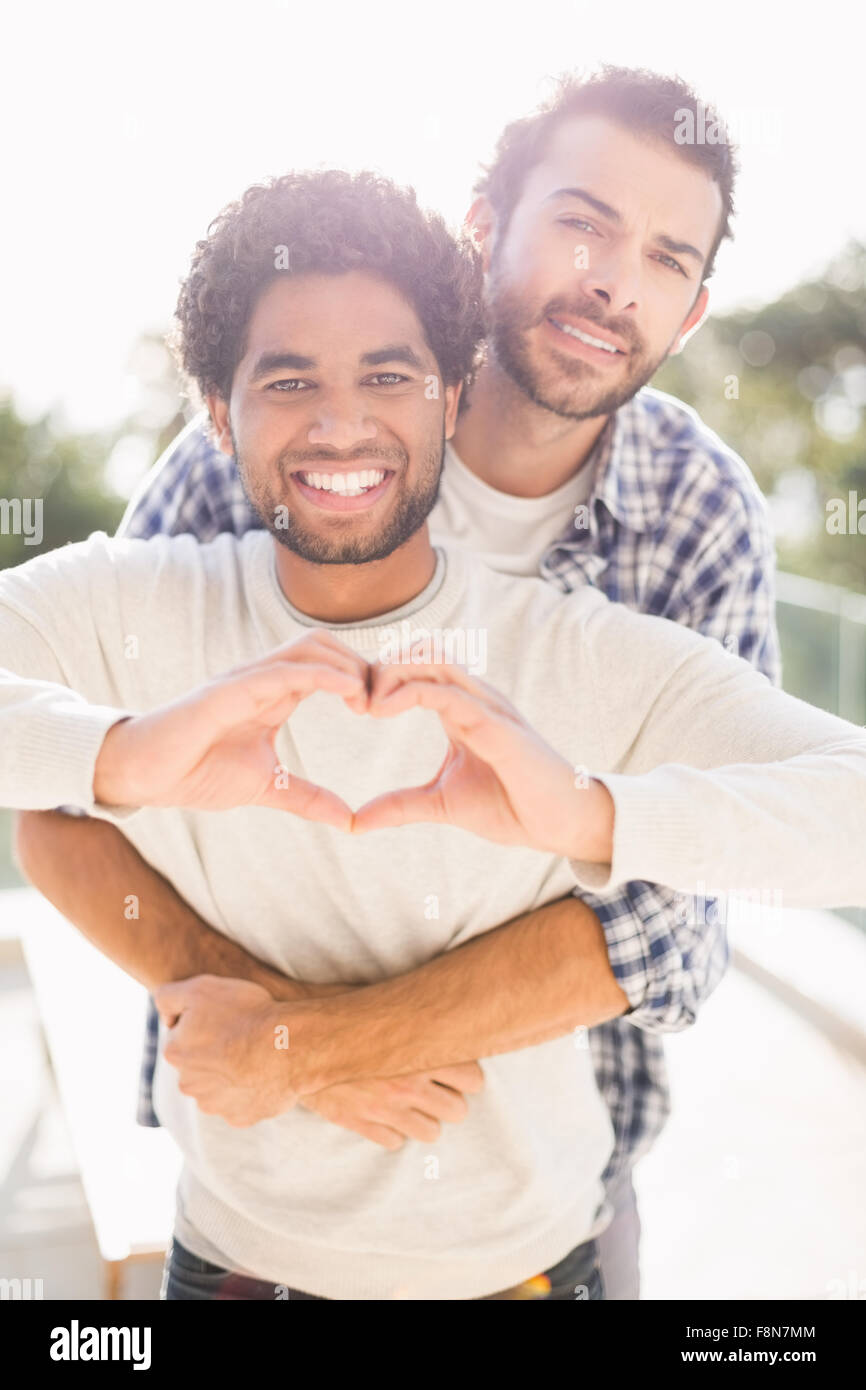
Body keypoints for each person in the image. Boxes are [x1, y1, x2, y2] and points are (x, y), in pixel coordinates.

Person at [4, 170, 865, 1301]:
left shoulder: (573, 652)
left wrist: (587, 813)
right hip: (231, 1267)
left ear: (450, 399)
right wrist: (124, 753)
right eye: (289, 378)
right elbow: (60, 822)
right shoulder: (135, 606)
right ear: (219, 412)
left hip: (523, 1275)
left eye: (388, 375)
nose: (341, 421)